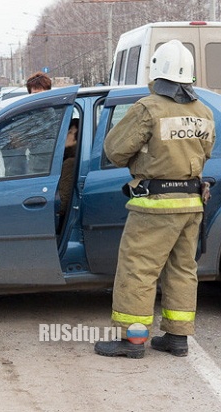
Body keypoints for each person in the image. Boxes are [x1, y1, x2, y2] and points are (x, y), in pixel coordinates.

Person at [94, 40, 215, 359]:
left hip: (156, 206)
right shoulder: (203, 111)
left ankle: (132, 342)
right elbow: (206, 152)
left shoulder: (148, 108)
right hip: (192, 204)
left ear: (157, 71)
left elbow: (114, 150)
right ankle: (177, 338)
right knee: (182, 269)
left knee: (138, 268)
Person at [58, 118, 79, 218]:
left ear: (77, 138)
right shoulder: (72, 157)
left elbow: (64, 198)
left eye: (70, 132)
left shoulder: (70, 163)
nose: (66, 134)